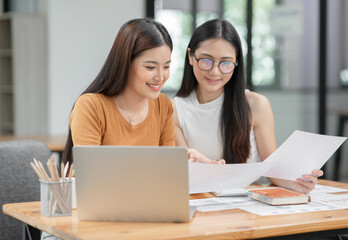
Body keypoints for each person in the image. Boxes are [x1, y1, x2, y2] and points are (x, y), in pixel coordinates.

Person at [41, 18, 174, 240]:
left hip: (141, 218)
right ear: (125, 63)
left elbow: (168, 176)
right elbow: (92, 183)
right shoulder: (91, 106)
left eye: (167, 66)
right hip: (84, 222)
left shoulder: (163, 106)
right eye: (151, 67)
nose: (161, 77)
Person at [172, 19, 323, 194]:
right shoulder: (173, 110)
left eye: (226, 63)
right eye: (206, 60)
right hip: (204, 205)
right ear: (191, 56)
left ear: (236, 63)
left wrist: (296, 182)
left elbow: (272, 170)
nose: (215, 71)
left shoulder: (256, 105)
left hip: (250, 208)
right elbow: (185, 173)